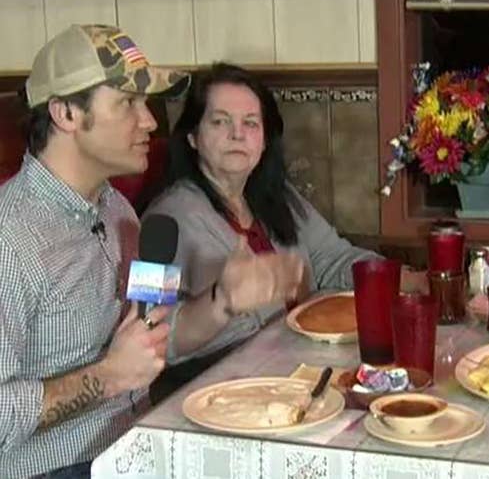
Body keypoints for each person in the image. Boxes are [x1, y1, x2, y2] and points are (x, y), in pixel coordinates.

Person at [0, 25, 303, 479]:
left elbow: (156, 330)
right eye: (127, 103)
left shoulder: (119, 211)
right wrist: (108, 377)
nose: (150, 122)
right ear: (65, 113)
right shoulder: (11, 241)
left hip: (139, 450)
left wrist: (222, 300)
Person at [142, 63, 424, 398]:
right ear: (192, 137)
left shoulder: (277, 196)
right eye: (220, 122)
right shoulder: (162, 221)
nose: (237, 134)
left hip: (297, 370)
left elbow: (335, 258)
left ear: (264, 141)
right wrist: (223, 300)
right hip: (220, 389)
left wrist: (407, 279)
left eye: (250, 123)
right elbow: (151, 334)